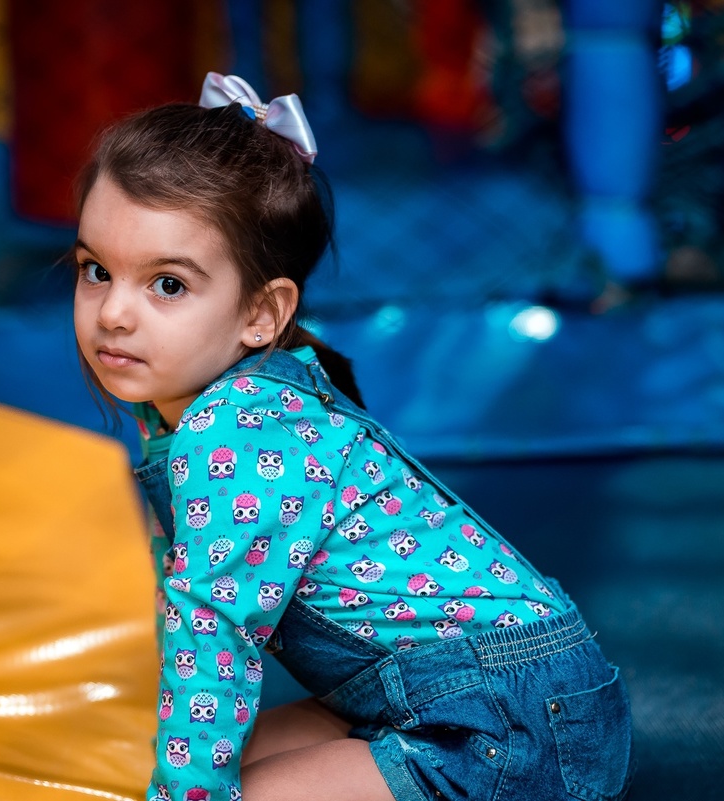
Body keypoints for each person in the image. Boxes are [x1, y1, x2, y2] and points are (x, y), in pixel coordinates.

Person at [72, 72, 632, 801]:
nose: (113, 313)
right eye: (96, 270)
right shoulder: (196, 409)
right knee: (209, 760)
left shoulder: (235, 429)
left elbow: (212, 631)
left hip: (508, 723)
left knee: (213, 787)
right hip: (456, 697)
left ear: (261, 315)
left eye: (167, 284)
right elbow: (186, 604)